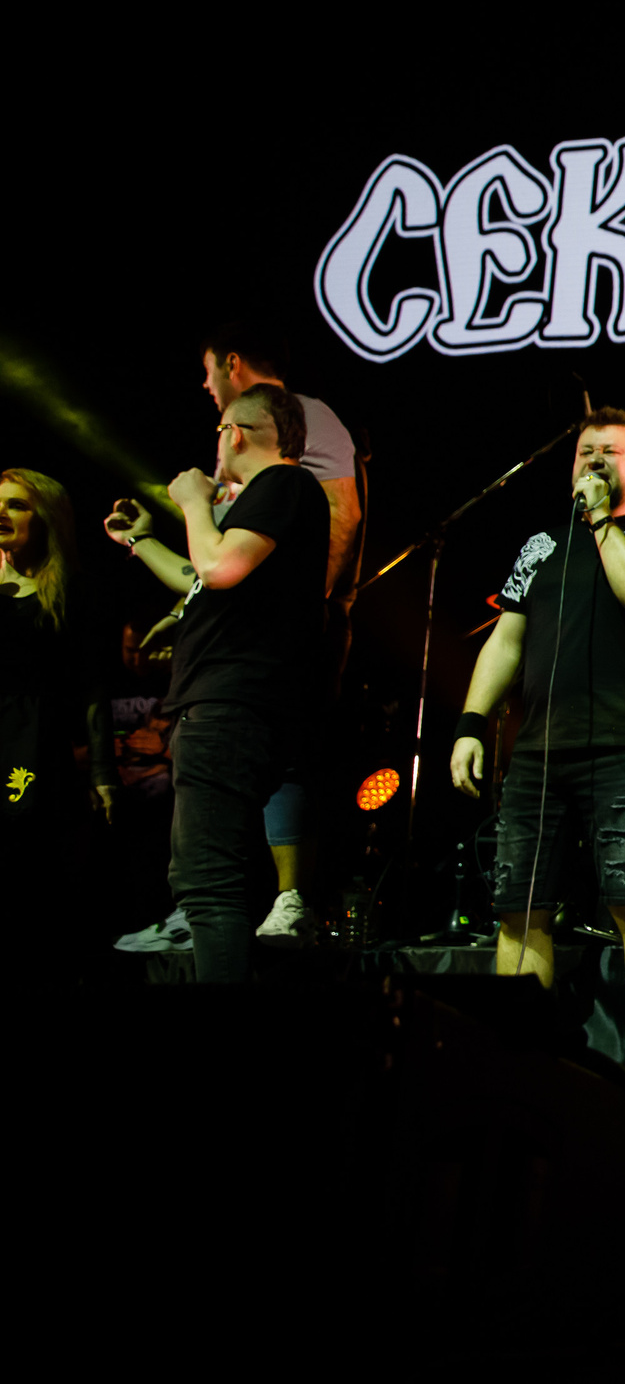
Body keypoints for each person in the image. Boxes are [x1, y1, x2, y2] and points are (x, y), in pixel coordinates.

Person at [449, 410, 625, 1114]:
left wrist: (604, 523)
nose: (596, 460)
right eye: (586, 452)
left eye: (612, 452)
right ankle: (516, 1057)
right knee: (521, 907)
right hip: (538, 753)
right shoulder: (540, 544)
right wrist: (470, 723)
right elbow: (506, 641)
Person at [105, 384, 329, 981]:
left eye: (220, 430)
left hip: (228, 708)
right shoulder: (272, 506)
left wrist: (191, 502)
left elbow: (217, 565)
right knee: (213, 878)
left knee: (205, 882)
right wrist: (140, 541)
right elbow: (197, 575)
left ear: (236, 432)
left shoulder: (283, 484)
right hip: (235, 709)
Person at [199, 323, 365, 946]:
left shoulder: (300, 416)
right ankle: (214, 900)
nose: (204, 386)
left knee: (287, 754)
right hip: (240, 631)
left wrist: (306, 605)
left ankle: (289, 901)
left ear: (232, 362)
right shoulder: (249, 439)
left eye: (208, 369)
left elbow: (341, 511)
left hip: (284, 631)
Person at [3, 469, 116, 959]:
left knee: (28, 876)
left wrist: (102, 772)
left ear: (45, 518)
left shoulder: (72, 592)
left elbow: (93, 689)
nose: (1, 514)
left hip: (30, 747)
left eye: (16, 505)